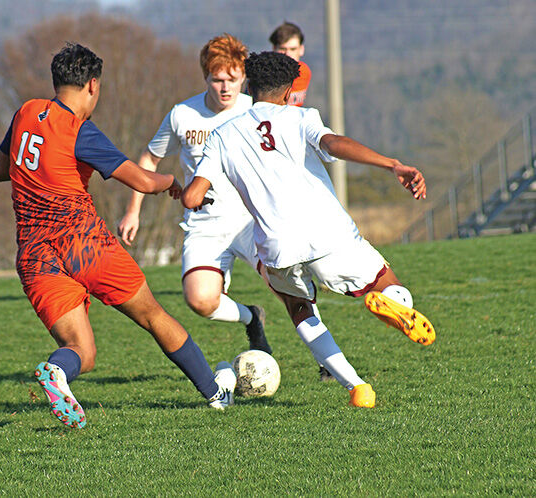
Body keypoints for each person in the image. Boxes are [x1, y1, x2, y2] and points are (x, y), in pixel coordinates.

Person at [0, 43, 235, 429]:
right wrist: (172, 181)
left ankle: (57, 370)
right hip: (84, 244)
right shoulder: (79, 131)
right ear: (92, 85)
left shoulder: (24, 113)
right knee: (153, 316)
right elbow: (141, 180)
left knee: (81, 352)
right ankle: (215, 393)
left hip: (36, 256)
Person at [182, 51, 436, 408]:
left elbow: (194, 195)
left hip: (276, 247)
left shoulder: (222, 135)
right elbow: (333, 144)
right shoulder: (301, 117)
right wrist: (390, 163)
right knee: (383, 280)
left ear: (249, 87)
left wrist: (187, 194)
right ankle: (393, 304)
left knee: (299, 309)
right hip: (327, 234)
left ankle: (357, 387)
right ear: (289, 91)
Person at [117, 33, 271, 355]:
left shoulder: (256, 110)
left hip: (251, 220)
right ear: (205, 78)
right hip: (204, 224)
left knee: (286, 282)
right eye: (217, 80)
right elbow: (149, 159)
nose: (226, 87)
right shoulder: (182, 115)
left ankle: (327, 360)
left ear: (244, 77)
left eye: (233, 79)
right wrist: (134, 210)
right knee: (199, 300)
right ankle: (251, 317)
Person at [269, 21, 310, 107]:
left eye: (293, 49)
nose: (288, 54)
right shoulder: (265, 75)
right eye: (283, 49)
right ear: (274, 49)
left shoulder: (304, 72)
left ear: (301, 49)